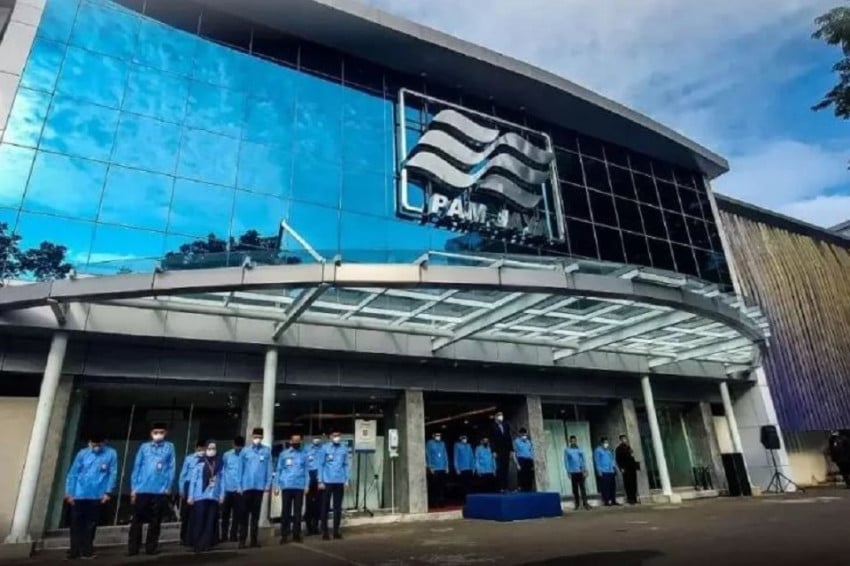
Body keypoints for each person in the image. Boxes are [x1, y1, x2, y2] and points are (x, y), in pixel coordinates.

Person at [64, 432, 118, 560]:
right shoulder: (82, 454)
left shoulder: (111, 454)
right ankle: (74, 550)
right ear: (89, 443)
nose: (96, 447)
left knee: (91, 525)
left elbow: (113, 473)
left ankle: (87, 550)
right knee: (76, 524)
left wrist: (108, 492)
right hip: (79, 494)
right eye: (94, 444)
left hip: (97, 495)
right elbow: (73, 474)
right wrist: (69, 492)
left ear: (104, 443)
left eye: (99, 444)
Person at [128, 422, 176, 556]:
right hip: (142, 488)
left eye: (161, 432)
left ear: (165, 433)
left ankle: (151, 548)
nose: (158, 434)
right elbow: (137, 467)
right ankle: (133, 548)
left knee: (155, 521)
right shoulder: (144, 447)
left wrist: (168, 486)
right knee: (137, 520)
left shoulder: (169, 447)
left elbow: (171, 468)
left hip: (159, 490)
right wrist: (133, 488)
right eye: (156, 432)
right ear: (151, 433)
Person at [187, 440, 223, 553]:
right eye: (209, 448)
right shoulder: (199, 463)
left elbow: (222, 481)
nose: (211, 451)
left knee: (210, 522)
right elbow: (193, 481)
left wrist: (222, 494)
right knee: (199, 521)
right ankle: (197, 544)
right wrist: (190, 496)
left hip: (214, 495)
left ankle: (206, 544)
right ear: (205, 449)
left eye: (213, 448)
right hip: (200, 496)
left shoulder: (219, 464)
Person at [239, 427, 272, 549]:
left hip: (259, 487)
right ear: (252, 436)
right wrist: (239, 485)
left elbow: (269, 469)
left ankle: (253, 540)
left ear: (262, 437)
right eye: (255, 437)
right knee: (244, 515)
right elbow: (240, 469)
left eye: (259, 437)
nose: (257, 439)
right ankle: (242, 540)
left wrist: (267, 485)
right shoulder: (245, 451)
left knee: (255, 515)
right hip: (246, 487)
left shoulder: (266, 451)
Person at [275, 434, 309, 544]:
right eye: (294, 441)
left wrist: (306, 485)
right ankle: (284, 535)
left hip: (299, 486)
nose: (296, 443)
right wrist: (276, 485)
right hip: (287, 485)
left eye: (298, 441)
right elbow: (279, 470)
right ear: (290, 441)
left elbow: (306, 471)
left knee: (298, 512)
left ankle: (296, 535)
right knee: (285, 511)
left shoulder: (304, 454)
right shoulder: (284, 454)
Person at [319, 430, 349, 540]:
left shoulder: (344, 448)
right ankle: (325, 531)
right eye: (335, 435)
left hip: (339, 481)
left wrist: (346, 480)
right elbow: (321, 465)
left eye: (338, 435)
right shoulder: (324, 448)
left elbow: (346, 465)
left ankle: (336, 531)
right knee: (325, 507)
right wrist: (320, 481)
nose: (337, 437)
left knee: (338, 508)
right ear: (330, 436)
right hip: (327, 481)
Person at [178, 441, 205, 546]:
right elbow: (183, 474)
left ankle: (195, 537)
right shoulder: (189, 458)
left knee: (197, 513)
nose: (201, 451)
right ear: (196, 448)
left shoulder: (206, 460)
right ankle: (183, 537)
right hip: (188, 484)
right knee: (186, 513)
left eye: (203, 449)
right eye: (199, 449)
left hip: (200, 486)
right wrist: (181, 489)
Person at [220, 436, 245, 543]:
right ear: (233, 445)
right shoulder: (227, 455)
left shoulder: (245, 456)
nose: (238, 448)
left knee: (237, 515)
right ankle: (224, 535)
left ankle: (233, 535)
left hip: (239, 490)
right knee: (225, 514)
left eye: (240, 446)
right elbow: (223, 470)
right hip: (227, 489)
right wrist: (222, 490)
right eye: (236, 446)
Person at [303, 437, 323, 535]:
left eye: (318, 437)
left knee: (318, 504)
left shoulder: (323, 449)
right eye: (315, 437)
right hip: (309, 476)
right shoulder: (306, 449)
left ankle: (316, 527)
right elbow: (304, 465)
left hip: (320, 477)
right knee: (309, 504)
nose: (317, 439)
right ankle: (309, 528)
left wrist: (321, 480)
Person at [564, 435, 591, 511]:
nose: (573, 442)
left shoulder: (580, 449)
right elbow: (566, 462)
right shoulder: (567, 450)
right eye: (572, 441)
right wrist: (568, 471)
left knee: (583, 488)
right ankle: (577, 504)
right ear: (570, 441)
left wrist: (585, 469)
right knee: (575, 489)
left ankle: (585, 503)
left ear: (576, 441)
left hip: (580, 471)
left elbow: (583, 460)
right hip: (573, 472)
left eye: (574, 441)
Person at [490, 411, 513, 492]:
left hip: (506, 450)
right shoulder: (493, 426)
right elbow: (492, 440)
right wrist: (493, 451)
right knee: (500, 468)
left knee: (506, 468)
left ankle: (505, 487)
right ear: (496, 417)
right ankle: (500, 487)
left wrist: (511, 450)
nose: (501, 417)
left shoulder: (506, 425)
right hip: (498, 450)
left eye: (502, 415)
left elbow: (509, 437)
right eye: (499, 415)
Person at [425, 432, 449, 507]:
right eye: (437, 435)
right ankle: (433, 502)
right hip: (434, 468)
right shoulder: (430, 443)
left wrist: (446, 466)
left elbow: (445, 455)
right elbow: (428, 455)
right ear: (433, 436)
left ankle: (441, 502)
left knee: (442, 486)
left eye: (439, 435)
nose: (438, 437)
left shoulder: (442, 443)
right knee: (434, 486)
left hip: (442, 467)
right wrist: (430, 466)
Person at [615, 434, 640, 504]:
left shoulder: (628, 447)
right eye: (623, 439)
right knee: (628, 483)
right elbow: (618, 459)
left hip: (632, 468)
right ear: (621, 440)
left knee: (633, 483)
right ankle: (630, 498)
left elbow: (632, 456)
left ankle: (634, 498)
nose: (625, 440)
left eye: (625, 439)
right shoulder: (619, 449)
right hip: (625, 468)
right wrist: (621, 468)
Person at [594, 437, 618, 506]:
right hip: (603, 471)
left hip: (611, 471)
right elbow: (597, 461)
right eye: (605, 443)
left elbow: (612, 459)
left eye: (607, 442)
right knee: (605, 487)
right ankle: (606, 501)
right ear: (601, 443)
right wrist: (599, 470)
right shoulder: (598, 450)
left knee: (612, 486)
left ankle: (613, 500)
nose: (606, 444)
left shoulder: (609, 450)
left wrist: (614, 467)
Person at [514, 428, 535, 492]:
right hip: (521, 459)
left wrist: (533, 462)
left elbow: (532, 452)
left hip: (529, 460)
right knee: (521, 475)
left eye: (525, 434)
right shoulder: (516, 441)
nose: (524, 436)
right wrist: (517, 464)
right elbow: (514, 453)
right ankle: (520, 488)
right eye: (523, 434)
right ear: (520, 434)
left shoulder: (529, 442)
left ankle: (529, 488)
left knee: (529, 475)